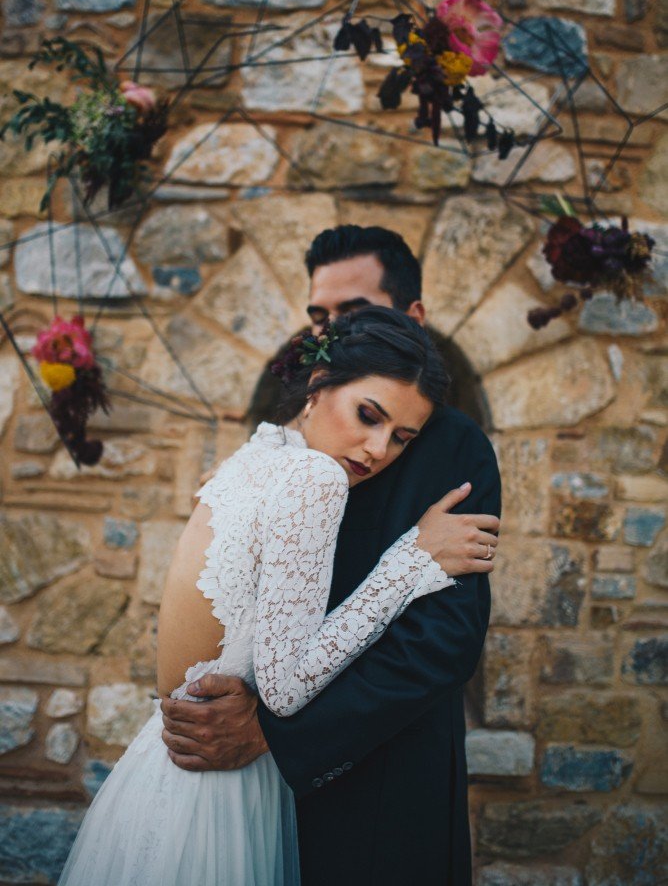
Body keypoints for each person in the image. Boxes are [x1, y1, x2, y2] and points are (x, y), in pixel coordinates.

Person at [57, 306, 498, 886]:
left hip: (160, 772)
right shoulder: (315, 478)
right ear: (318, 385)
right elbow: (285, 691)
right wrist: (409, 561)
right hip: (218, 788)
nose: (376, 449)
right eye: (368, 415)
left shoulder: (257, 455)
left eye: (400, 438)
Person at [161, 226, 502, 886]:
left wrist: (273, 734)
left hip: (381, 779)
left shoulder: (454, 447)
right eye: (320, 316)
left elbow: (443, 640)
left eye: (354, 312)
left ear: (413, 316)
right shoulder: (283, 450)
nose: (331, 331)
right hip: (252, 782)